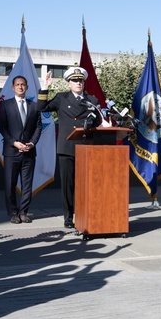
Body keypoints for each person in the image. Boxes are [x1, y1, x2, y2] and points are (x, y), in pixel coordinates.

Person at [39, 67, 101, 229]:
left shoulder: (92, 101)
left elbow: (98, 122)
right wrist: (45, 87)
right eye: (74, 80)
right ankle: (68, 217)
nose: (78, 83)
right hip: (67, 148)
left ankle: (85, 214)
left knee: (85, 184)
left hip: (86, 147)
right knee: (68, 185)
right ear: (69, 83)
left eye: (80, 80)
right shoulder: (61, 98)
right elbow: (41, 107)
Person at [0, 75, 43, 223]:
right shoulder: (5, 105)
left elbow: (38, 127)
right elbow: (2, 127)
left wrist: (32, 143)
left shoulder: (34, 106)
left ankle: (24, 212)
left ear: (27, 87)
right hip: (12, 152)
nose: (20, 87)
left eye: (23, 84)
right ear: (13, 87)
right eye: (17, 84)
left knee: (27, 184)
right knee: (10, 184)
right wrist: (14, 143)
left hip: (29, 152)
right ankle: (13, 213)